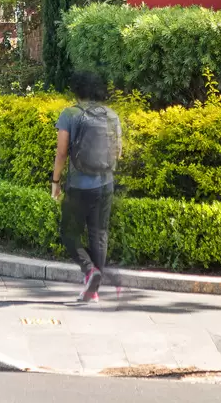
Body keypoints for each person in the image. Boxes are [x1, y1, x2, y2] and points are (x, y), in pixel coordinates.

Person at [51, 71, 122, 303]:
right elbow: (118, 152)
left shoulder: (70, 114)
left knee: (69, 232)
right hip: (106, 184)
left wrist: (55, 183)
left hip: (79, 185)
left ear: (76, 89)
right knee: (99, 234)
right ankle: (93, 291)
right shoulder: (112, 116)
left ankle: (89, 270)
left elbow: (62, 153)